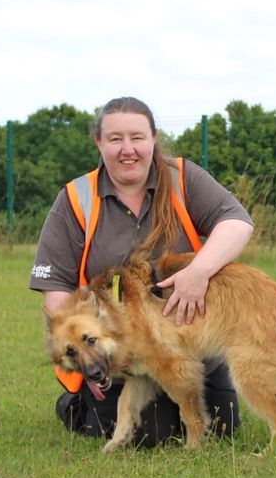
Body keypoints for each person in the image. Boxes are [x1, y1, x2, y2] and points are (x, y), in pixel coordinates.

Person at [29, 96, 254, 448]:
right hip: (119, 359)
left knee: (225, 428)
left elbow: (237, 222)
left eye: (137, 137)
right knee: (150, 435)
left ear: (154, 139)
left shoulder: (183, 177)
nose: (127, 149)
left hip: (189, 345)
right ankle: (76, 404)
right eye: (115, 139)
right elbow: (56, 287)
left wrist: (200, 272)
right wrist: (103, 343)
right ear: (99, 143)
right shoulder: (75, 198)